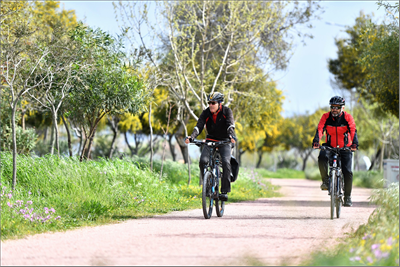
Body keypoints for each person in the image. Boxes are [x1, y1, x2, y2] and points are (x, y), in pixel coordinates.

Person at [185, 92, 236, 201]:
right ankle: (207, 187)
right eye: (209, 103)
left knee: (226, 162)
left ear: (219, 103)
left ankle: (224, 191)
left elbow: (230, 125)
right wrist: (192, 137)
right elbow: (199, 126)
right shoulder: (206, 113)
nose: (211, 105)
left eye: (213, 103)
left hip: (225, 141)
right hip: (210, 140)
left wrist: (231, 136)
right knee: (203, 161)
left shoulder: (227, 111)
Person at [312, 96, 358, 207]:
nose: (334, 109)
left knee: (347, 172)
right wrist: (316, 141)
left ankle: (347, 197)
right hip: (330, 146)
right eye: (332, 107)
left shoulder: (347, 117)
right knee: (322, 157)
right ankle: (326, 181)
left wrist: (354, 143)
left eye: (337, 107)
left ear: (342, 108)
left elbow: (353, 130)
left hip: (345, 147)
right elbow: (320, 129)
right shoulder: (325, 117)